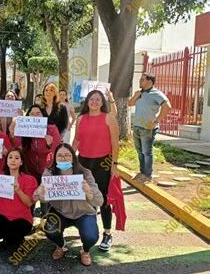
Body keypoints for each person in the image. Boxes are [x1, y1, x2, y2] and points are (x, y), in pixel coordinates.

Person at [35, 144, 104, 266]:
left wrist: (88, 192)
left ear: (73, 158)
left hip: (84, 213)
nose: (63, 158)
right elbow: (40, 198)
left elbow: (100, 201)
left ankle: (85, 250)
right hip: (60, 212)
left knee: (91, 236)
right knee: (50, 231)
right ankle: (62, 246)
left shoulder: (85, 173)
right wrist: (40, 194)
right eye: (60, 155)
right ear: (55, 158)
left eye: (67, 155)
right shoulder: (49, 174)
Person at [72, 90, 119, 252]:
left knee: (104, 198)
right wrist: (68, 158)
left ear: (102, 102)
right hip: (84, 162)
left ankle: (107, 233)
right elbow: (76, 141)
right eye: (92, 99)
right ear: (87, 101)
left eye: (98, 99)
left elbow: (115, 143)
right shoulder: (81, 119)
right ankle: (87, 228)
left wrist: (114, 164)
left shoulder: (108, 118)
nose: (94, 101)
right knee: (85, 197)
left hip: (103, 163)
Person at [0, 148, 38, 246]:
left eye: (17, 158)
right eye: (10, 157)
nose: (13, 160)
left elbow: (29, 203)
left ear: (21, 162)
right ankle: (8, 235)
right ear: (6, 161)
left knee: (13, 241)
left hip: (22, 218)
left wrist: (18, 190)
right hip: (3, 215)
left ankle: (14, 237)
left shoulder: (29, 179)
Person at [127, 73, 171, 182]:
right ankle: (142, 173)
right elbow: (130, 104)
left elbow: (167, 106)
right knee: (139, 151)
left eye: (142, 79)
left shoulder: (156, 94)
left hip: (148, 128)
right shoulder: (140, 93)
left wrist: (157, 120)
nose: (140, 81)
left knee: (147, 152)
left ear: (149, 81)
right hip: (137, 126)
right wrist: (136, 96)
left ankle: (148, 176)